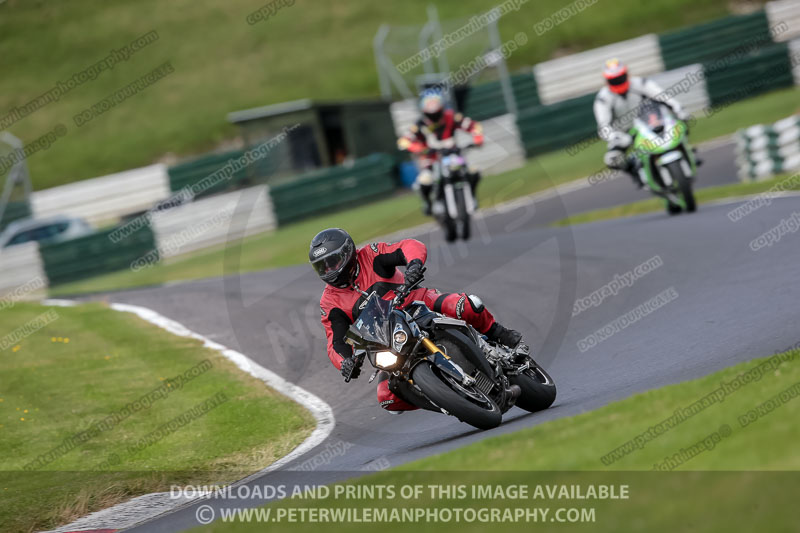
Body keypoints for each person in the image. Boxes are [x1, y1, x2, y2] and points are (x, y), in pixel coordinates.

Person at [310, 228, 523, 413]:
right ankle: (448, 401)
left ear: (348, 253)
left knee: (465, 305)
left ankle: (498, 333)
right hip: (388, 341)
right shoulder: (330, 301)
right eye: (322, 267)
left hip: (417, 303)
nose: (328, 270)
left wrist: (413, 265)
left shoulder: (371, 255)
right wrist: (345, 362)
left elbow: (409, 246)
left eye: (332, 262)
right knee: (386, 397)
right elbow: (335, 341)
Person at [593, 59, 690, 187]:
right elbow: (603, 126)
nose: (618, 81)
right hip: (625, 134)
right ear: (607, 80)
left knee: (681, 125)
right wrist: (614, 136)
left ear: (626, 74)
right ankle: (634, 171)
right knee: (612, 159)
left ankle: (689, 153)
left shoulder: (641, 83)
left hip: (650, 123)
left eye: (620, 77)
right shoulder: (603, 98)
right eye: (614, 80)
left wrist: (678, 108)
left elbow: (662, 96)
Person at [397, 91, 484, 215]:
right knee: (424, 182)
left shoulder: (451, 117)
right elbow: (404, 141)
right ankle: (428, 203)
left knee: (473, 172)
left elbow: (473, 126)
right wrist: (418, 148)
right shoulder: (419, 125)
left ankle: (472, 196)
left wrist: (477, 138)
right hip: (431, 161)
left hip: (454, 156)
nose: (435, 117)